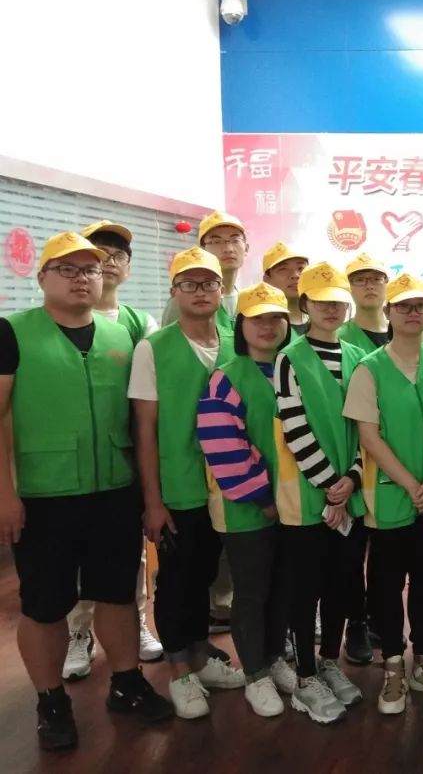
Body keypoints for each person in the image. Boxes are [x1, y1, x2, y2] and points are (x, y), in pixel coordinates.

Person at [0, 232, 173, 751]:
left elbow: (141, 422)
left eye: (91, 270)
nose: (82, 278)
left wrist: (148, 496)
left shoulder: (122, 336)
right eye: (68, 269)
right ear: (42, 277)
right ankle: (51, 700)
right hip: (43, 494)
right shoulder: (13, 332)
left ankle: (126, 682)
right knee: (44, 605)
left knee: (117, 594)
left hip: (114, 490)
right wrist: (5, 494)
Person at [132, 246, 247, 719]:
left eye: (209, 283)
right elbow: (144, 429)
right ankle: (179, 670)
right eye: (189, 284)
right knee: (178, 578)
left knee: (206, 574)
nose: (201, 292)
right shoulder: (153, 348)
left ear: (222, 289)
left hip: (232, 484)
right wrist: (153, 501)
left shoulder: (236, 340)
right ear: (174, 291)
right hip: (179, 484)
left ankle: (200, 656)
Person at [345, 274, 423, 715]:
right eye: (404, 306)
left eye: (420, 305)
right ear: (389, 312)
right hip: (389, 494)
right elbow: (368, 436)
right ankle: (393, 663)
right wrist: (412, 484)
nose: (413, 313)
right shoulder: (369, 368)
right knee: (386, 584)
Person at [60, 220, 162, 682]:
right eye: (98, 256)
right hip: (71, 458)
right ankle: (78, 632)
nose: (109, 263)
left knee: (130, 549)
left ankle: (135, 621)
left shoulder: (140, 324)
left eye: (118, 255)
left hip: (126, 453)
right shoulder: (58, 321)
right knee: (76, 551)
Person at [197, 282, 298, 718]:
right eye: (257, 319)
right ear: (240, 326)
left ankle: (275, 657)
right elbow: (224, 446)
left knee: (283, 587)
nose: (268, 326)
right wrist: (263, 497)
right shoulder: (226, 377)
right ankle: (255, 673)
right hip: (246, 507)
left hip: (294, 504)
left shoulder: (294, 369)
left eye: (276, 317)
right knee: (252, 591)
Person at [273, 262, 366, 724]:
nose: (332, 308)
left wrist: (353, 479)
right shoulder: (288, 358)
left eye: (338, 301)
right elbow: (295, 428)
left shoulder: (359, 356)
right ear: (305, 304)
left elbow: (369, 428)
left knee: (342, 584)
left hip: (351, 493)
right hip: (310, 496)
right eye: (321, 300)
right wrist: (332, 486)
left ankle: (330, 660)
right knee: (305, 588)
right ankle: (306, 676)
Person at [163, 210, 249, 633]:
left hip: (237, 446)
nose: (227, 247)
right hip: (187, 450)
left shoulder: (250, 302)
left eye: (234, 239)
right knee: (191, 557)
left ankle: (226, 606)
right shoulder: (177, 310)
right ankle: (194, 635)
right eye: (216, 240)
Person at [336, 252, 391, 665]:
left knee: (393, 553)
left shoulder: (408, 330)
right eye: (360, 279)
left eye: (376, 278)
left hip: (402, 462)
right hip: (355, 461)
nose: (369, 285)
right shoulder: (339, 338)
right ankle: (356, 623)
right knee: (353, 552)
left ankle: (388, 623)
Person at [261, 241, 310, 333]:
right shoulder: (263, 330)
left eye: (301, 268)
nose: (295, 275)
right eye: (283, 269)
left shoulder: (324, 322)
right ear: (267, 280)